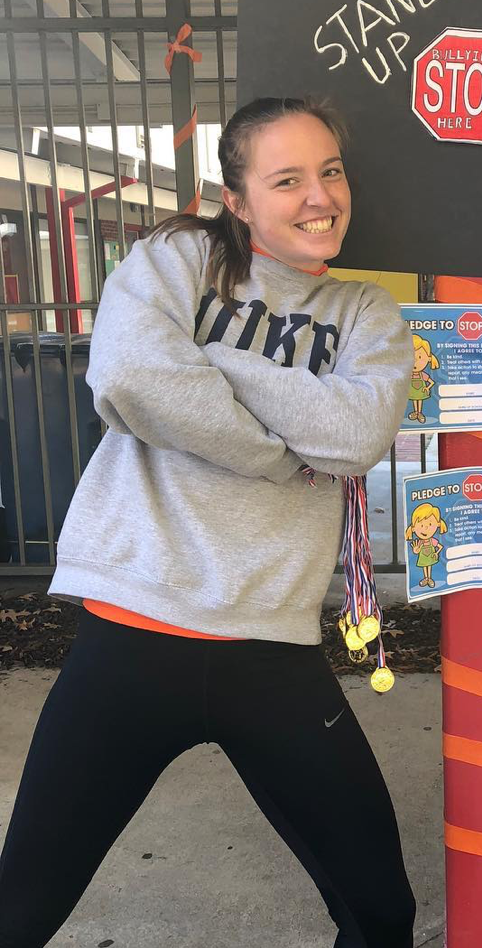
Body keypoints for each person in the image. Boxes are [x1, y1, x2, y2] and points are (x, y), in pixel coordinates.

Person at [0, 97, 416, 948]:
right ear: (237, 198)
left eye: (330, 172)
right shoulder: (177, 256)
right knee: (19, 912)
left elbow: (356, 436)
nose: (318, 197)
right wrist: (278, 453)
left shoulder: (366, 313)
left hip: (270, 651)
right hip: (130, 635)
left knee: (381, 912)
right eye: (288, 179)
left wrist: (212, 361)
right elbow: (130, 378)